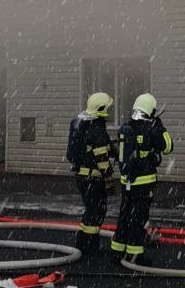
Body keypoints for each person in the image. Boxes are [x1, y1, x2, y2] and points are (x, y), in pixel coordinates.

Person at [112, 93, 173, 265]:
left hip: (127, 181)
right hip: (144, 181)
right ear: (150, 110)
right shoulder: (152, 128)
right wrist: (160, 127)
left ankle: (117, 252)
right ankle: (136, 256)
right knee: (138, 218)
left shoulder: (127, 126)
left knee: (125, 215)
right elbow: (168, 147)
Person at [67, 91, 115, 254]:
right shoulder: (96, 127)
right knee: (96, 211)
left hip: (82, 175)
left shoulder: (81, 123)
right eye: (107, 107)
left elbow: (94, 147)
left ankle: (83, 243)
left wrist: (111, 147)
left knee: (91, 210)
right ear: (101, 108)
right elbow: (101, 155)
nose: (109, 110)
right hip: (93, 177)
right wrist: (108, 175)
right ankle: (90, 247)